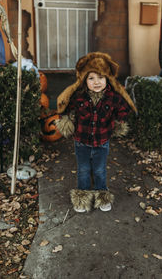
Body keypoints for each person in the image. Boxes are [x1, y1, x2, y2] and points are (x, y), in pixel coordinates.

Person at [56, 52, 137, 213]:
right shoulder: (79, 97)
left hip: (102, 142)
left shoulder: (113, 97)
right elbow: (66, 107)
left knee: (100, 170)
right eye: (91, 78)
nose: (96, 82)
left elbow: (124, 108)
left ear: (108, 79)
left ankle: (102, 196)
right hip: (81, 142)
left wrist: (119, 121)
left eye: (101, 77)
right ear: (84, 81)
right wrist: (67, 120)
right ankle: (82, 196)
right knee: (84, 170)